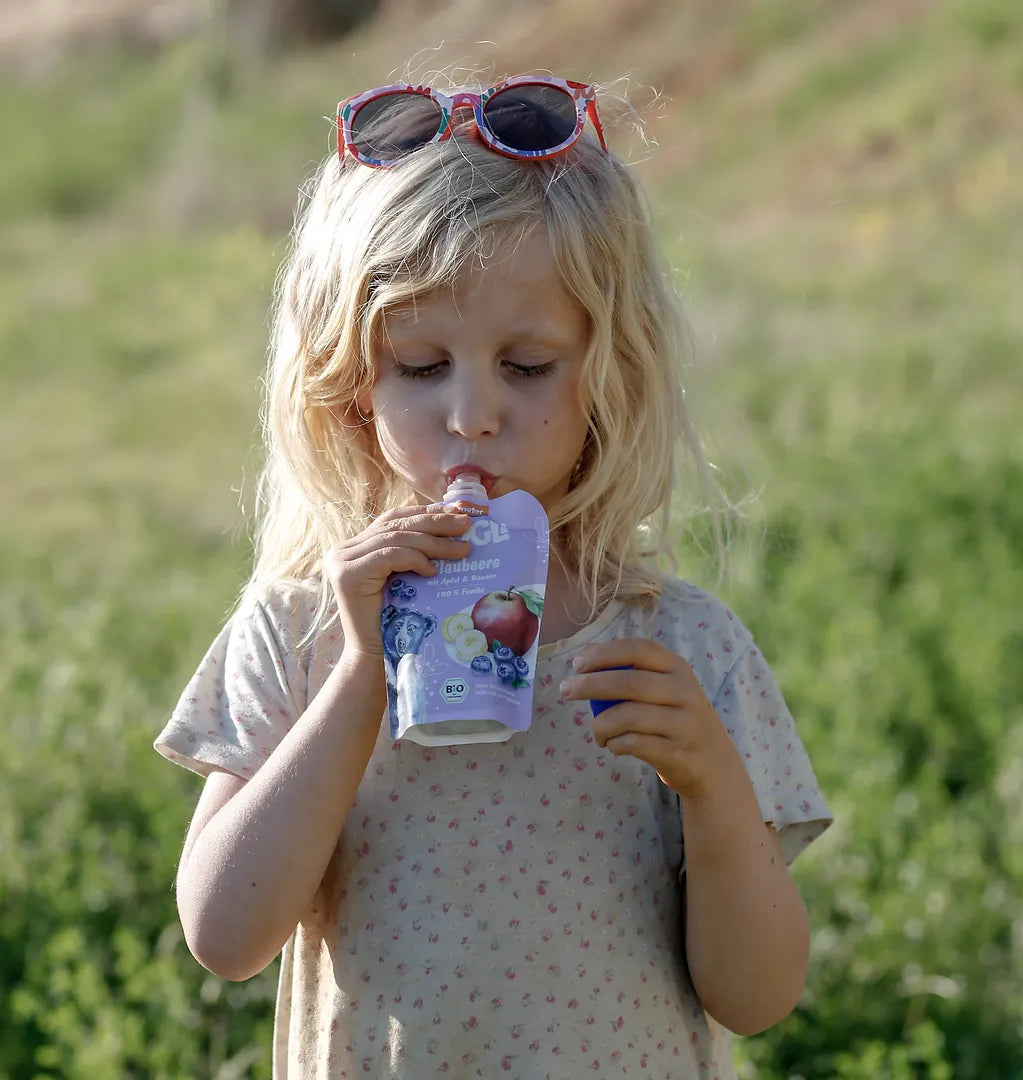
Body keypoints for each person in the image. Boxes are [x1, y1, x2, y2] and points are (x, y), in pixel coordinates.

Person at [155, 72, 833, 1080]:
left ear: (609, 372)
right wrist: (360, 677)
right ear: (352, 388)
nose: (472, 416)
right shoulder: (303, 631)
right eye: (422, 366)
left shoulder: (678, 646)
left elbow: (758, 994)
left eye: (526, 367)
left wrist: (712, 786)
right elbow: (224, 934)